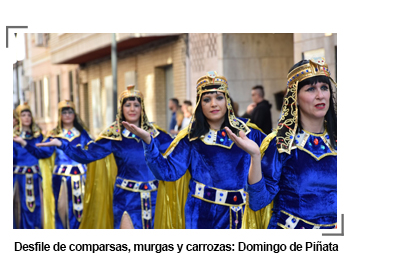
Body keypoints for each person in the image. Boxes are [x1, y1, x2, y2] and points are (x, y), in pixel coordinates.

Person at [122, 71, 267, 229]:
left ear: (227, 101)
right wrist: (148, 141)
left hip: (242, 218)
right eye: (207, 99)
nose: (213, 104)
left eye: (219, 97)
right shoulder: (190, 138)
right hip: (202, 218)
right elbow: (167, 172)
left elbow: (276, 167)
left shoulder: (250, 134)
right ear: (199, 105)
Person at [37, 86, 174, 229]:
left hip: (155, 198)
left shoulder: (157, 135)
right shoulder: (113, 136)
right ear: (121, 109)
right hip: (125, 199)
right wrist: (62, 144)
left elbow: (177, 151)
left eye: (136, 105)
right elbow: (88, 153)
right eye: (128, 105)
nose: (132, 109)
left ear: (142, 108)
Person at [226, 58, 337, 229]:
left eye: (324, 87)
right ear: (295, 98)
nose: (320, 95)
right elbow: (258, 202)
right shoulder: (280, 143)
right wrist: (255, 156)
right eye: (310, 89)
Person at [37, 100, 92, 229]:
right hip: (61, 178)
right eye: (64, 112)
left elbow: (93, 152)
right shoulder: (54, 135)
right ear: (60, 115)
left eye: (70, 112)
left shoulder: (83, 134)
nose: (67, 115)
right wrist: (28, 146)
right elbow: (44, 153)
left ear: (74, 114)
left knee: (83, 210)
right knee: (61, 210)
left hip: (82, 177)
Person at [13, 103, 54, 229]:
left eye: (29, 115)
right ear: (18, 118)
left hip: (37, 178)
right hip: (18, 180)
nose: (26, 118)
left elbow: (44, 153)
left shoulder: (38, 137)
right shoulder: (12, 137)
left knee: (38, 207)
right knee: (19, 208)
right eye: (23, 115)